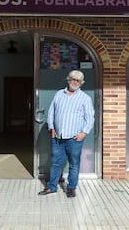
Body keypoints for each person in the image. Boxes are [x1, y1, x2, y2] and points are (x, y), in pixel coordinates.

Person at [38, 70, 95, 198]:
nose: (74, 82)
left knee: (74, 164)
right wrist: (52, 128)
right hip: (58, 137)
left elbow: (90, 118)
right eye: (72, 79)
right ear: (68, 79)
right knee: (55, 163)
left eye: (77, 80)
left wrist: (84, 133)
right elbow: (52, 112)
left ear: (81, 83)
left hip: (75, 138)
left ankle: (71, 188)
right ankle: (52, 187)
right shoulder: (59, 94)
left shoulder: (85, 98)